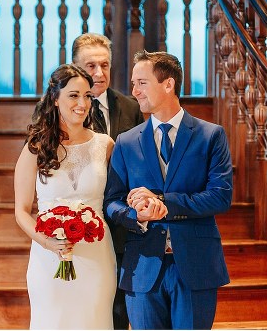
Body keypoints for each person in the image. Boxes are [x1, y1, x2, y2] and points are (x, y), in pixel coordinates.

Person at [104, 50, 233, 329]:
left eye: (142, 82)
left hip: (195, 266)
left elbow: (220, 196)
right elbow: (112, 202)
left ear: (168, 84)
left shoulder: (211, 135)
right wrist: (135, 216)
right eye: (134, 83)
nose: (134, 91)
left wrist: (164, 202)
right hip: (142, 268)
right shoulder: (126, 142)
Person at [14, 63, 117, 329]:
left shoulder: (104, 145)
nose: (82, 103)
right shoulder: (35, 147)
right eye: (74, 95)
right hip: (48, 256)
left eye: (87, 96)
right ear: (55, 99)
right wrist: (46, 242)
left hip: (96, 255)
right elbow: (22, 210)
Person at [71, 33, 143, 329]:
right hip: (78, 225)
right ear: (75, 68)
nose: (99, 74)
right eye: (90, 66)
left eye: (105, 65)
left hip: (121, 227)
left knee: (117, 312)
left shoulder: (131, 108)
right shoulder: (58, 109)